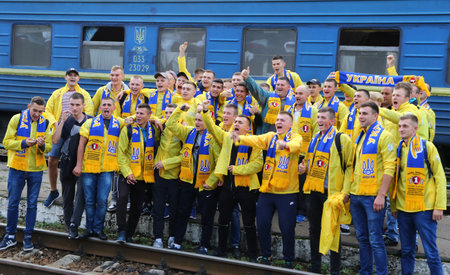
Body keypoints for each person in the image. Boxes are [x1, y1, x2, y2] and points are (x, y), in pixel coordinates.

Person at [232, 111, 302, 268]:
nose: (279, 122)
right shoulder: (271, 136)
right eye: (277, 120)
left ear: (290, 124)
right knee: (263, 224)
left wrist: (286, 145)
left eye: (283, 120)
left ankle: (289, 259)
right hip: (267, 191)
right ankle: (266, 256)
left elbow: (297, 146)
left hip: (287, 193)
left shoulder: (295, 137)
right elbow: (256, 140)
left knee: (287, 227)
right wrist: (240, 138)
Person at [201, 100, 262, 262]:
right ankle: (221, 250)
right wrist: (206, 111)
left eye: (240, 122)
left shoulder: (254, 142)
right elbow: (213, 128)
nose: (236, 124)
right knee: (223, 220)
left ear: (248, 128)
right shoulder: (227, 137)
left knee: (249, 222)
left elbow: (257, 164)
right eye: (235, 122)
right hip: (228, 187)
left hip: (246, 188)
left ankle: (252, 255)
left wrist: (236, 170)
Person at [343, 101, 396, 275]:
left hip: (373, 198)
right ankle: (365, 272)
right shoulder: (361, 135)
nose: (361, 117)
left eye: (365, 113)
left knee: (375, 240)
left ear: (375, 116)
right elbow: (354, 166)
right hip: (357, 195)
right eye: (360, 114)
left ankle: (381, 273)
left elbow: (390, 168)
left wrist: (382, 195)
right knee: (362, 239)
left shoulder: (384, 135)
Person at [298, 107, 352, 275]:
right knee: (314, 230)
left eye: (323, 118)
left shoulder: (341, 139)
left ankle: (334, 270)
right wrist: (303, 166)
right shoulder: (315, 138)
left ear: (332, 121)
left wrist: (346, 192)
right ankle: (316, 268)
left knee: (334, 232)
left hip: (332, 194)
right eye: (318, 117)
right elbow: (309, 160)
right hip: (314, 191)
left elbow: (350, 166)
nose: (319, 120)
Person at [391, 114, 446, 275]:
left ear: (415, 129)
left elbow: (440, 177)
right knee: (407, 250)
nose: (401, 129)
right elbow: (396, 180)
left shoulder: (427, 147)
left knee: (431, 252)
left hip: (425, 209)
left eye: (405, 126)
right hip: (403, 209)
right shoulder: (398, 148)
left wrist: (439, 206)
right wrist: (394, 206)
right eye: (400, 126)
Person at [166, 104, 220, 253]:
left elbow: (219, 162)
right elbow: (170, 124)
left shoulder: (214, 137)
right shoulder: (189, 132)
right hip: (188, 181)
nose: (197, 123)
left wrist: (211, 181)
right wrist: (179, 110)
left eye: (201, 120)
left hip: (205, 183)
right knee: (182, 211)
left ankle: (204, 245)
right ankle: (177, 242)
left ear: (208, 121)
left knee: (206, 216)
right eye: (196, 119)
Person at [1, 96, 52, 251]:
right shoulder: (16, 119)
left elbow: (49, 147)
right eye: (35, 110)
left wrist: (43, 146)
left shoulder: (46, 122)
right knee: (13, 203)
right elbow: (6, 142)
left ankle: (28, 237)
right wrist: (23, 143)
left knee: (32, 204)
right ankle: (10, 235)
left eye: (40, 111)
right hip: (17, 168)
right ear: (29, 106)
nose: (37, 114)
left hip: (36, 170)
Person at [73, 97, 126, 240]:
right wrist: (78, 165)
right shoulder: (90, 123)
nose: (106, 107)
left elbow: (134, 119)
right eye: (104, 105)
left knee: (102, 200)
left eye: (109, 105)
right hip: (88, 169)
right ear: (100, 108)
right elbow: (81, 145)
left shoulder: (119, 123)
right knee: (89, 200)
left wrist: (155, 120)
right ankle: (89, 228)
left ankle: (98, 228)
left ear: (114, 108)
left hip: (107, 170)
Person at [44, 68, 94, 208]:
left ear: (78, 78)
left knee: (76, 161)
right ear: (65, 77)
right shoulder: (58, 93)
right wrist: (56, 123)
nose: (72, 77)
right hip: (61, 130)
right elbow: (48, 110)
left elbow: (89, 111)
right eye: (70, 75)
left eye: (75, 75)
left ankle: (80, 193)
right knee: (53, 159)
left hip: (77, 131)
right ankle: (53, 191)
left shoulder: (84, 94)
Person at [52, 92, 92, 239]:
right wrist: (61, 122)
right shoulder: (66, 121)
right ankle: (70, 228)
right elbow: (55, 141)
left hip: (83, 165)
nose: (74, 108)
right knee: (67, 198)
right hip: (67, 164)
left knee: (81, 196)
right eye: (72, 105)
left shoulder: (90, 121)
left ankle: (76, 225)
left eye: (77, 105)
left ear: (83, 105)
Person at [116, 103, 156, 244]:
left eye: (141, 114)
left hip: (142, 176)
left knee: (137, 206)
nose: (138, 116)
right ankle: (121, 231)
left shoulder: (154, 130)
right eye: (137, 113)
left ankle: (129, 234)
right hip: (127, 174)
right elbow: (120, 154)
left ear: (149, 115)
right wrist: (127, 173)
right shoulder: (127, 130)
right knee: (122, 198)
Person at [91, 65, 129, 212]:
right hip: (105, 133)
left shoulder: (128, 92)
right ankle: (104, 198)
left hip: (122, 132)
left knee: (118, 165)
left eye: (117, 75)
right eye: (112, 75)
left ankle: (116, 197)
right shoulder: (102, 91)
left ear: (123, 76)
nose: (114, 78)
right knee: (104, 162)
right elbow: (92, 108)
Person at [152, 103, 182, 248]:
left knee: (174, 209)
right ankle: (157, 237)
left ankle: (172, 236)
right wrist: (154, 120)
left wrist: (167, 163)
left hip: (175, 177)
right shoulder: (161, 125)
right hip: (159, 175)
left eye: (172, 112)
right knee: (157, 207)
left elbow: (185, 156)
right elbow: (145, 116)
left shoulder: (182, 130)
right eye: (167, 112)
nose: (169, 115)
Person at [289, 85, 318, 222]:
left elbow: (316, 134)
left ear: (308, 96)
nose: (298, 96)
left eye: (301, 93)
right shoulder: (288, 109)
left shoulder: (313, 111)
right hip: (289, 152)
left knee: (302, 185)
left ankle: (302, 211)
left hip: (304, 153)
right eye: (296, 93)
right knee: (290, 182)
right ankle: (290, 207)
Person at [242, 67, 295, 135]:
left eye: (282, 85)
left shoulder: (294, 102)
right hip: (265, 137)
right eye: (278, 85)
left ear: (288, 87)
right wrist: (248, 78)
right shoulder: (268, 96)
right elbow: (257, 91)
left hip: (284, 138)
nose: (279, 87)